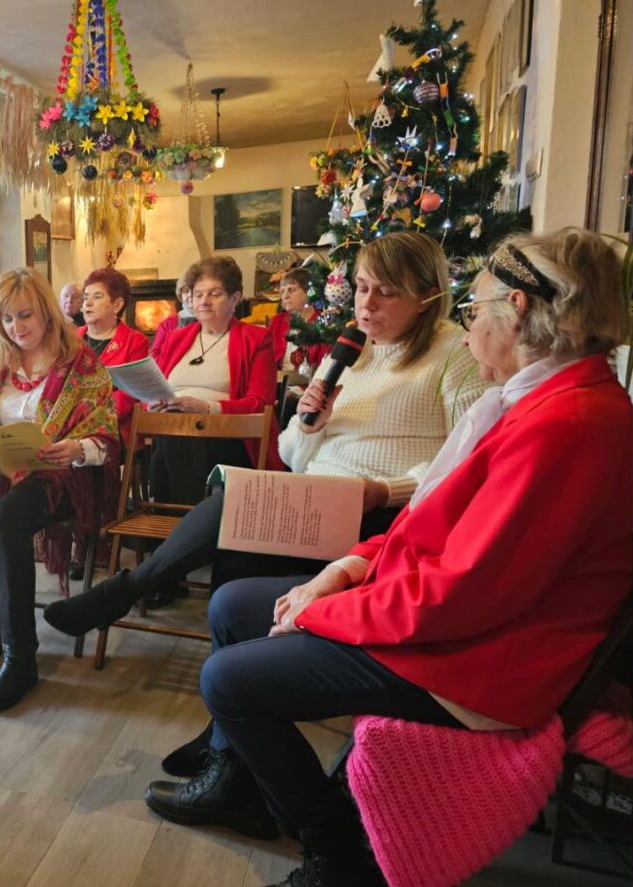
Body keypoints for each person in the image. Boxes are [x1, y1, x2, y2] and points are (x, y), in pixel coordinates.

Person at [146, 228, 633, 887]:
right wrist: (344, 569)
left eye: (476, 310)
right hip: (453, 617)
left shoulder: (568, 422)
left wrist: (323, 610)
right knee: (230, 606)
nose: (468, 332)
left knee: (227, 678)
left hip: (483, 660)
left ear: (519, 310)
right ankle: (244, 790)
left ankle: (339, 863)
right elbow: (435, 524)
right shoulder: (547, 399)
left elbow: (461, 595)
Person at [44, 232, 489, 636]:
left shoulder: (455, 354)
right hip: (318, 493)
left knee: (234, 501)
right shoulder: (360, 353)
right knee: (235, 552)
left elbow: (470, 465)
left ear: (428, 296)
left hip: (381, 514)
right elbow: (292, 453)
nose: (365, 305)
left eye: (386, 292)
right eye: (361, 287)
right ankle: (228, 711)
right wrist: (311, 422)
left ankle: (129, 588)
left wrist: (386, 490)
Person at [0, 268, 118, 711]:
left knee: (6, 518)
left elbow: (108, 435)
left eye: (26, 316)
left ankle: (21, 656)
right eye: (8, 320)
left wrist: (78, 447)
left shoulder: (82, 363)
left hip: (60, 472)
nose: (18, 328)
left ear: (48, 314)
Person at [148, 256, 279, 506]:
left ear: (235, 298)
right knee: (172, 441)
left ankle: (183, 523)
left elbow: (260, 403)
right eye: (197, 295)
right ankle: (187, 525)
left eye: (214, 294)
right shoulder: (177, 337)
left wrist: (208, 409)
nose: (204, 302)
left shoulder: (256, 339)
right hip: (171, 433)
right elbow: (158, 386)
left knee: (184, 442)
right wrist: (152, 404)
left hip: (228, 438)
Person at [79, 267, 149, 446]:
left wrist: (90, 419)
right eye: (86, 297)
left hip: (112, 428)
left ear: (117, 305)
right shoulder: (71, 339)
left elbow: (129, 394)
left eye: (97, 297)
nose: (87, 303)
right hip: (69, 424)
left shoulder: (135, 341)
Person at [149, 272, 195, 362]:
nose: (190, 295)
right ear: (180, 295)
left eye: (195, 291)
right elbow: (155, 355)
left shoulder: (209, 321)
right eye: (186, 291)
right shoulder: (167, 324)